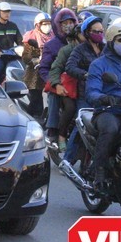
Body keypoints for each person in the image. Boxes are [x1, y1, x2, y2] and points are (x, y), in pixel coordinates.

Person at [85, 22, 121, 189]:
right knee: (111, 129)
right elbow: (91, 92)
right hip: (108, 111)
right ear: (111, 42)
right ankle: (99, 169)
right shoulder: (99, 64)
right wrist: (104, 98)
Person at [62, 16, 105, 165]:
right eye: (95, 31)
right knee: (82, 125)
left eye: (101, 31)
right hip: (86, 93)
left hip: (104, 93)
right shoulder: (80, 50)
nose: (99, 34)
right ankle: (67, 160)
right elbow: (70, 67)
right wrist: (86, 75)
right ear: (87, 33)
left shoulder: (106, 49)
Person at [38, 8, 79, 144]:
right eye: (64, 23)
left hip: (77, 82)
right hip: (59, 84)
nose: (68, 25)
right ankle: (54, 130)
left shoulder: (79, 42)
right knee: (59, 101)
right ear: (58, 25)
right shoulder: (52, 45)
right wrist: (55, 84)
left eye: (71, 22)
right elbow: (44, 69)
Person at [48, 20, 86, 151]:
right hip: (68, 88)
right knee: (70, 108)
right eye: (83, 34)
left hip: (87, 88)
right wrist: (57, 84)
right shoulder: (66, 50)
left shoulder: (96, 48)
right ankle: (61, 136)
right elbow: (55, 69)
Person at [22, 13, 53, 120]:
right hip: (34, 76)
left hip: (50, 73)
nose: (47, 26)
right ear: (38, 25)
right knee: (36, 100)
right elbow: (26, 57)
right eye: (44, 24)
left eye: (49, 24)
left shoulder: (54, 38)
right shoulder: (31, 37)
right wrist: (36, 60)